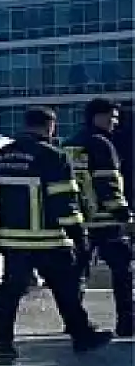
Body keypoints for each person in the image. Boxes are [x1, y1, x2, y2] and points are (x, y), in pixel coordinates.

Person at [0, 106, 112, 363]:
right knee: (66, 291)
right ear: (49, 126)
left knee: (9, 293)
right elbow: (64, 200)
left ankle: (2, 345)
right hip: (50, 240)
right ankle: (82, 336)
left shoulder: (2, 155)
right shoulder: (53, 156)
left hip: (13, 240)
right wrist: (79, 236)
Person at [63, 98, 133, 337]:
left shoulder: (70, 144)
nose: (115, 122)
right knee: (122, 271)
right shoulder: (102, 144)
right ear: (98, 117)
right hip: (106, 221)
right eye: (112, 117)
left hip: (78, 221)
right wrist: (123, 212)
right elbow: (108, 183)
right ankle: (127, 324)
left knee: (77, 273)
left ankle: (73, 323)